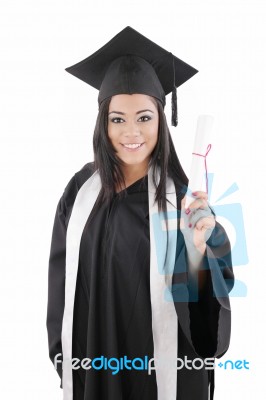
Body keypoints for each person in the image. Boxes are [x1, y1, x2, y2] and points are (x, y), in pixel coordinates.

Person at [46, 26, 234, 400]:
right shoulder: (79, 193)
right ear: (103, 122)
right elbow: (60, 288)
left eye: (144, 117)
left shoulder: (185, 206)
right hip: (95, 371)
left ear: (161, 121)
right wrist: (64, 360)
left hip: (163, 379)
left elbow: (209, 321)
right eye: (118, 118)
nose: (131, 131)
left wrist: (196, 248)